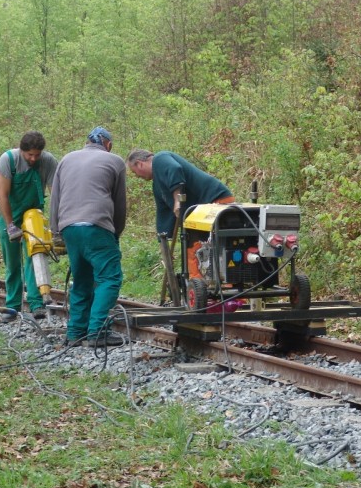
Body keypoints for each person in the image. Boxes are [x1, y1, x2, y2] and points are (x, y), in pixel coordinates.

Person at [50, 127, 127, 347]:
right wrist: (116, 232)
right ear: (108, 144)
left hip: (69, 227)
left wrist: (56, 231)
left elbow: (55, 197)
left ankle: (75, 333)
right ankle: (98, 332)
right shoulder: (115, 161)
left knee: (82, 279)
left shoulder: (66, 159)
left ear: (87, 142)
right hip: (97, 224)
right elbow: (119, 203)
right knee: (109, 277)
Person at [126, 149, 235, 279]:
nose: (137, 176)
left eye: (134, 172)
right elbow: (163, 214)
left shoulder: (160, 159)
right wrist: (163, 245)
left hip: (215, 201)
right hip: (196, 215)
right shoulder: (157, 186)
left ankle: (219, 285)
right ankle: (198, 289)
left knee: (214, 247)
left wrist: (177, 200)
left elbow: (175, 169)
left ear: (139, 164)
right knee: (193, 248)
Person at [0, 131, 58, 322]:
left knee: (35, 257)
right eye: (29, 155)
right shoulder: (8, 160)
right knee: (12, 264)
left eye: (37, 155)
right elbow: (3, 196)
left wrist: (56, 226)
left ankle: (36, 303)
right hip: (9, 214)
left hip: (33, 214)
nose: (33, 158)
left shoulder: (48, 161)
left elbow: (55, 194)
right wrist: (10, 225)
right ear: (21, 150)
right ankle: (12, 307)